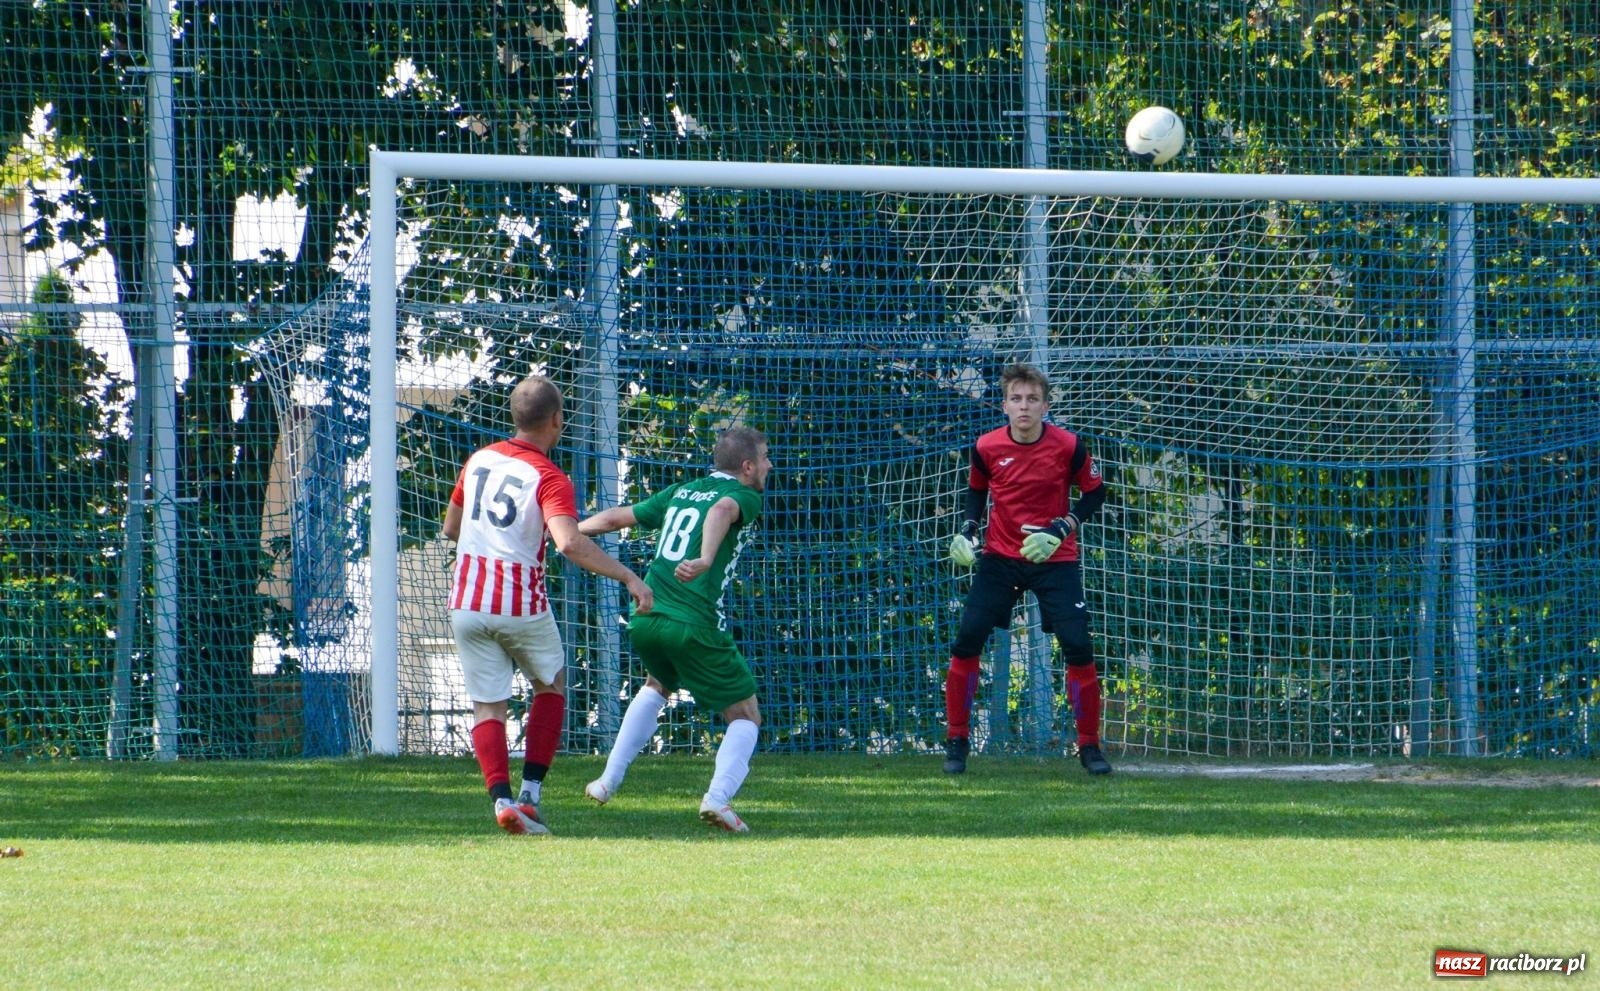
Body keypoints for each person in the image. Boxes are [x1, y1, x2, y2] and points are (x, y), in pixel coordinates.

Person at [442, 375, 654, 836]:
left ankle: (501, 800)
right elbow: (569, 543)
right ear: (557, 420)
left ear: (514, 417)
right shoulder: (550, 477)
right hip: (519, 601)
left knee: (488, 707)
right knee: (551, 684)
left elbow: (451, 528)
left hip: (466, 602)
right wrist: (629, 576)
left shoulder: (479, 459)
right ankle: (530, 795)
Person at [577, 426, 773, 833]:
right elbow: (721, 512)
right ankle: (718, 800)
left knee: (656, 685)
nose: (770, 466)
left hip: (646, 618)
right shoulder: (746, 496)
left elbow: (614, 518)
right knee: (745, 715)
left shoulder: (682, 492)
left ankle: (606, 782)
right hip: (693, 624)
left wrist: (566, 532)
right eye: (766, 458)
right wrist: (704, 558)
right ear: (748, 466)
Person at [942, 362, 1112, 776]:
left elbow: (1095, 494)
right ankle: (957, 742)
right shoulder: (985, 447)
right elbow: (976, 491)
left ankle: (1089, 747)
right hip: (1001, 557)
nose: (1024, 407)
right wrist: (967, 531)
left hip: (1055, 559)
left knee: (1077, 643)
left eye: (1032, 399)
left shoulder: (1069, 446)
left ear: (1045, 405)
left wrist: (1061, 528)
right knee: (967, 639)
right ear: (1003, 406)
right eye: (1016, 399)